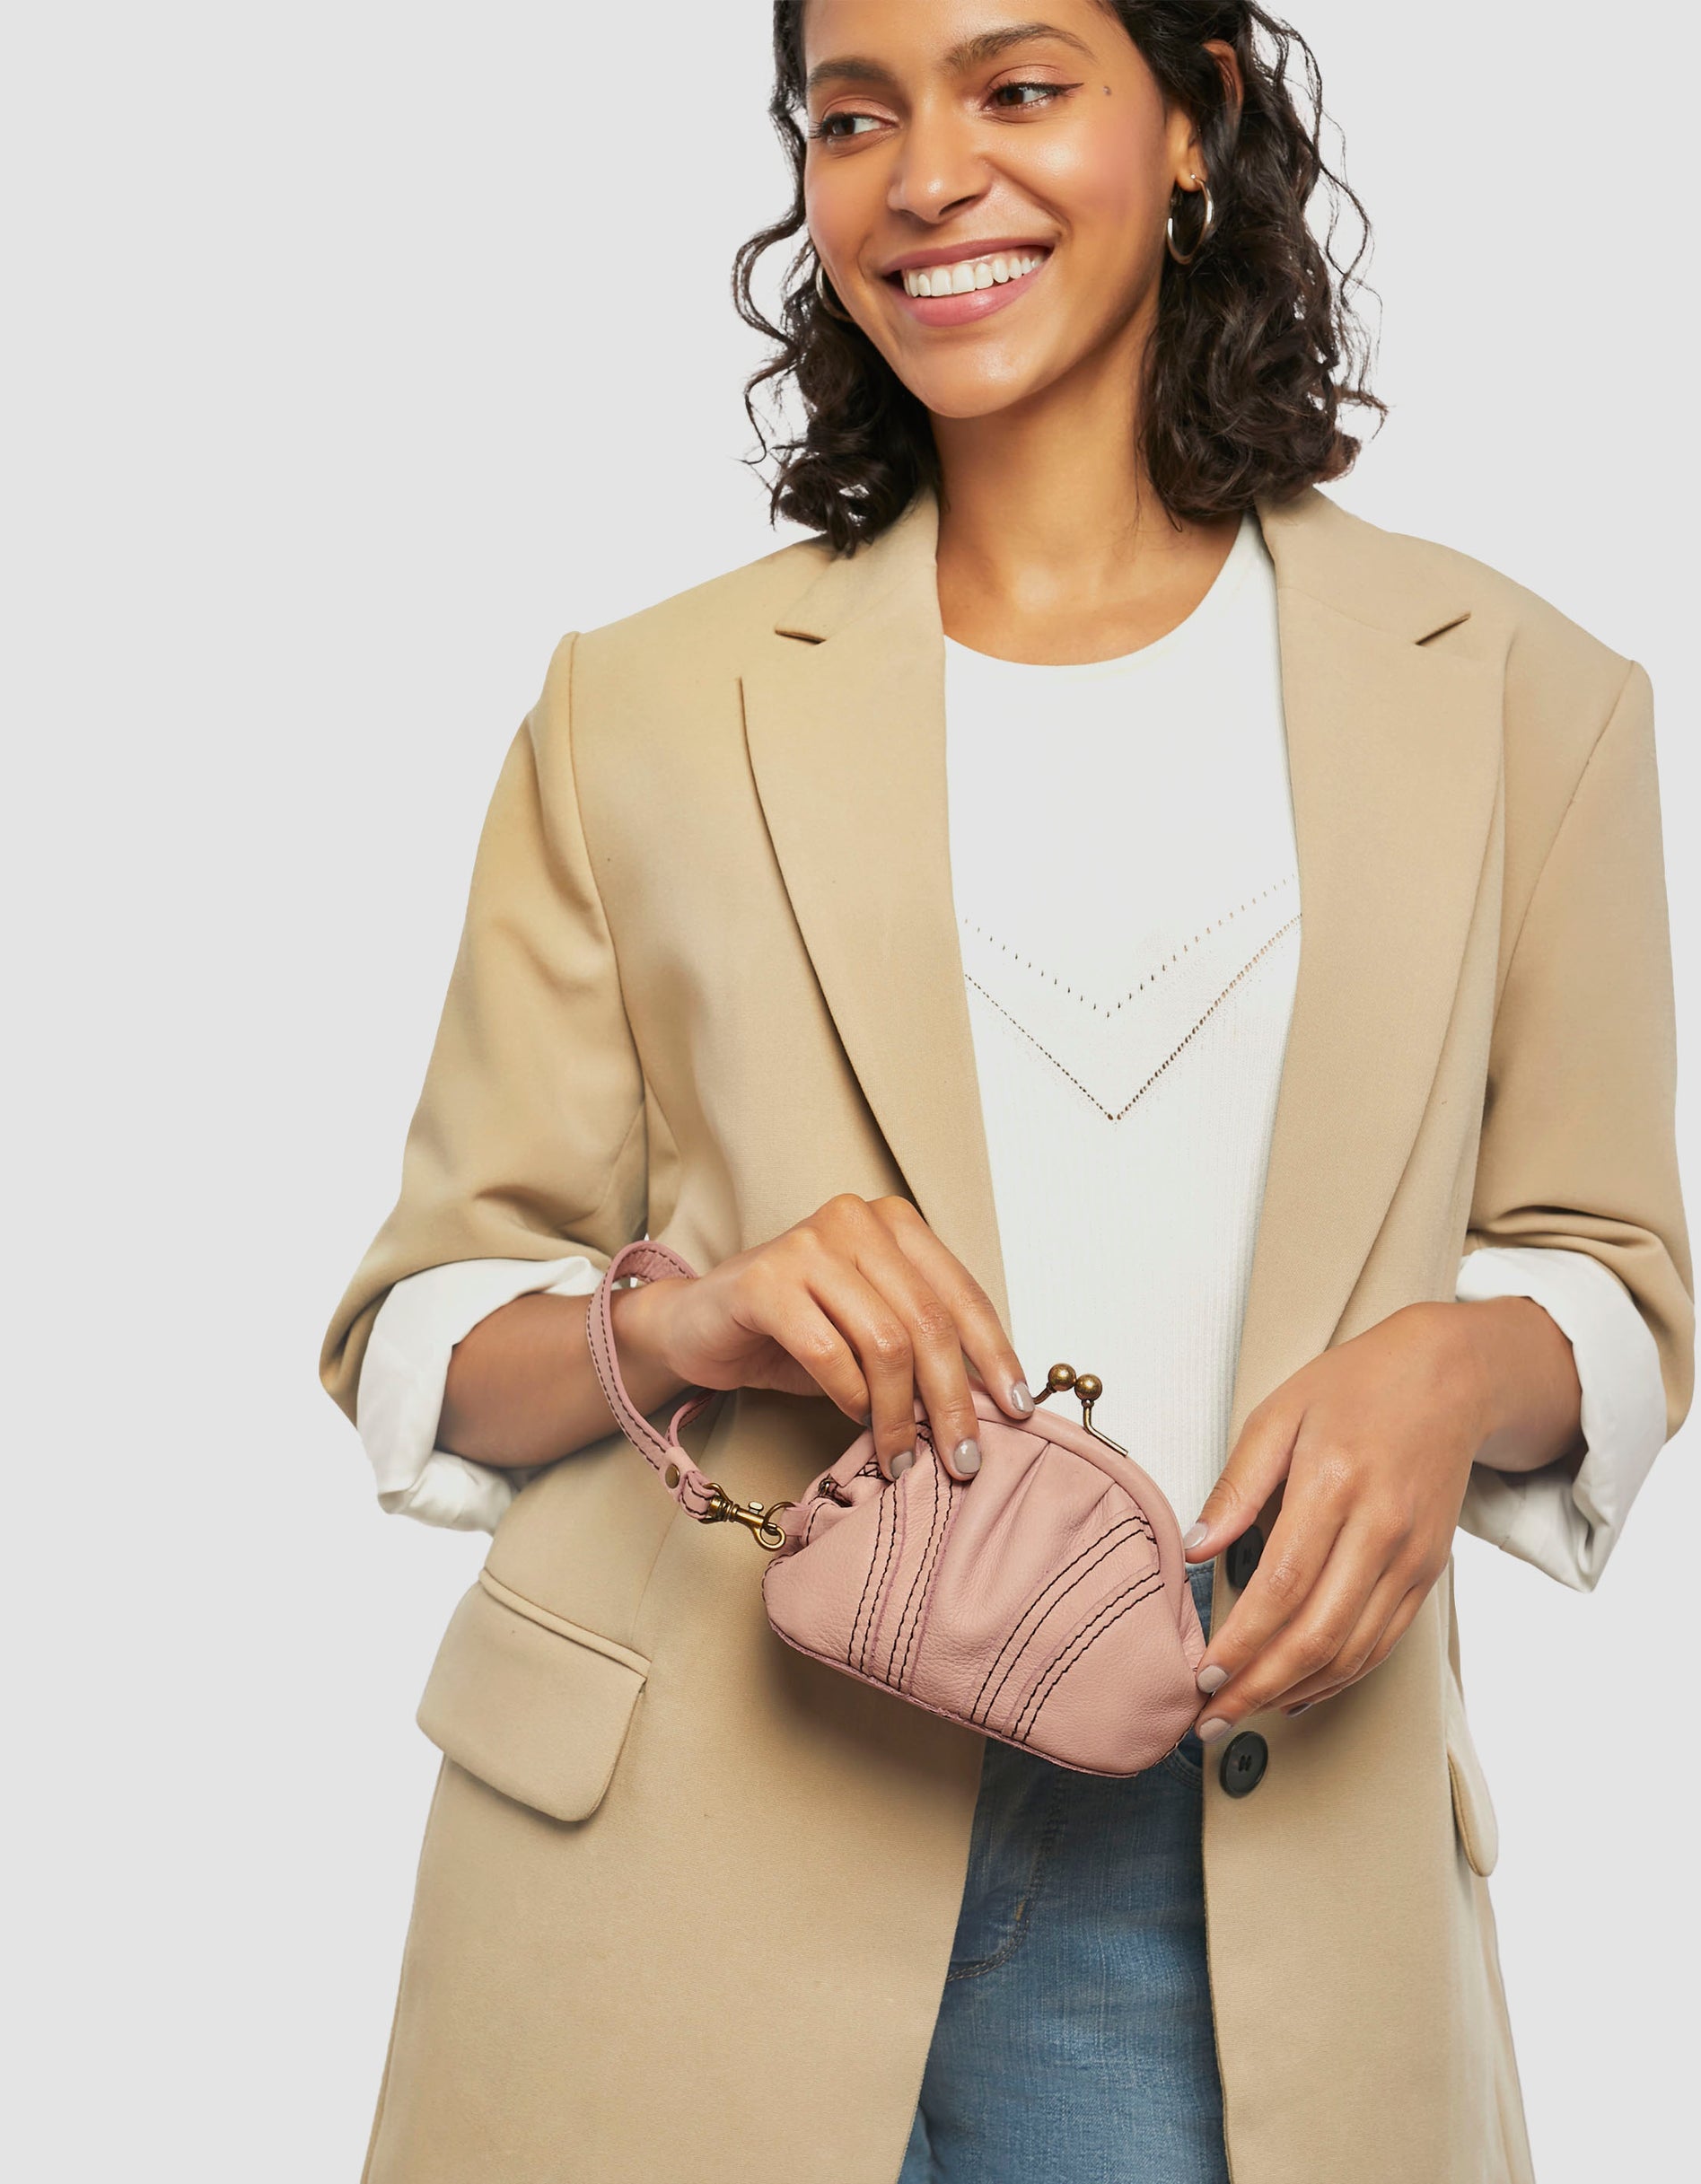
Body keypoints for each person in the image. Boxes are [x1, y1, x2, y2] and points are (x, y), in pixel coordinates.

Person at [319, 4, 1692, 2180]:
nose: (925, 175)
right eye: (851, 115)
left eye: (1016, 86)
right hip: (667, 1874)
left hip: (1237, 1872)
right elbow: (417, 1332)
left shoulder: (1528, 700)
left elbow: (1618, 1275)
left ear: (1196, 117)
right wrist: (695, 1314)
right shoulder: (641, 708)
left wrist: (1455, 1365)